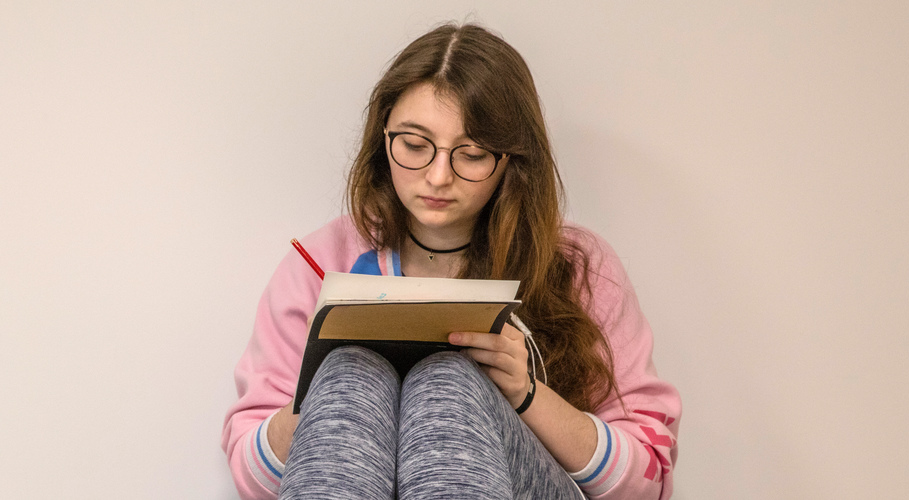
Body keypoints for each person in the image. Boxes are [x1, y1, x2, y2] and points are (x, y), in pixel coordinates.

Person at [221, 23, 681, 499]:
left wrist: (524, 394)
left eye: (472, 154)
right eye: (415, 146)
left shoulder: (575, 266)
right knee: (350, 372)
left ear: (509, 160)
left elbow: (648, 481)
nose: (438, 176)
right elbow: (250, 476)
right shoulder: (319, 262)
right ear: (383, 138)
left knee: (447, 380)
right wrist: (320, 401)